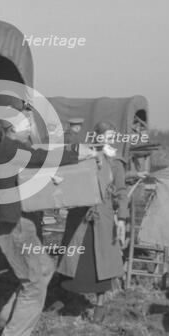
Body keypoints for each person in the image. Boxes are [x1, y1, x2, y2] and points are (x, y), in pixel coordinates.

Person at [0, 111, 94, 336]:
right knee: (34, 283)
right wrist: (77, 153)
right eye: (26, 123)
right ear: (13, 129)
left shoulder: (11, 149)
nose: (30, 126)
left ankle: (5, 319)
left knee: (44, 270)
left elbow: (36, 163)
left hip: (21, 223)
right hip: (15, 225)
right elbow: (42, 157)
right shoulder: (10, 148)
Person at [57, 121, 128, 323]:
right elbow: (68, 180)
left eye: (113, 136)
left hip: (103, 219)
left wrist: (121, 218)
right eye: (106, 135)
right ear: (97, 136)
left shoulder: (116, 162)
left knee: (103, 266)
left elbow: (121, 192)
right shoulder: (83, 156)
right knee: (74, 262)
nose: (110, 139)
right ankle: (64, 300)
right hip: (80, 217)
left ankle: (100, 306)